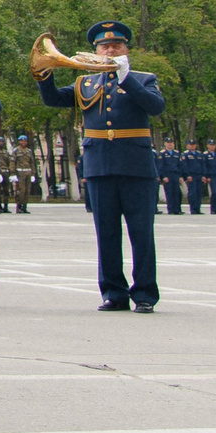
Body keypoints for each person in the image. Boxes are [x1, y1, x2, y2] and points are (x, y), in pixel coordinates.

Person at [39, 22, 165, 311]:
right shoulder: (86, 83)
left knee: (141, 234)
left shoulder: (144, 78)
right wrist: (43, 75)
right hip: (99, 167)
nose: (110, 49)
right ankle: (113, 293)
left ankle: (145, 293)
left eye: (116, 45)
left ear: (126, 50)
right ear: (95, 50)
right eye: (104, 46)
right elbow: (53, 99)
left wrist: (126, 77)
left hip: (136, 167)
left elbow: (155, 106)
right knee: (106, 233)